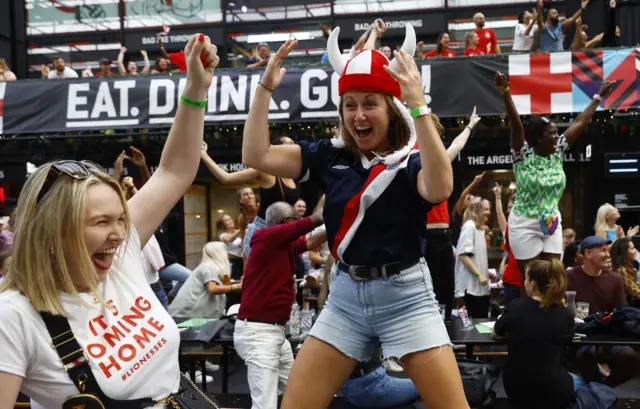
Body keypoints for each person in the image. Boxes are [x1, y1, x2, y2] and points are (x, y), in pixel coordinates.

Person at [242, 20, 469, 409]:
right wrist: (264, 89)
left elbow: (441, 187)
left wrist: (418, 104)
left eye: (370, 103)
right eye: (350, 104)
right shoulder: (331, 155)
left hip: (406, 298)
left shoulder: (410, 160)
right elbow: (256, 156)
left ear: (391, 108)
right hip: (344, 298)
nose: (358, 115)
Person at [0, 33, 219, 408]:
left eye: (121, 219)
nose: (119, 234)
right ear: (52, 232)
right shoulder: (14, 316)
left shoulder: (119, 258)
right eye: (101, 222)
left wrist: (196, 88)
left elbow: (175, 171)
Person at [495, 71, 615, 279]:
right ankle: (530, 311)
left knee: (554, 275)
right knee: (533, 278)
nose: (556, 136)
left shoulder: (557, 151)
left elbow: (579, 122)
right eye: (551, 133)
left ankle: (552, 310)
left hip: (550, 219)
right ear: (539, 139)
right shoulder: (522, 155)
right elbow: (516, 125)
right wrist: (505, 92)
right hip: (524, 221)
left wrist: (598, 97)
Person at [234, 202, 326, 409]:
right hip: (258, 334)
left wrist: (337, 225)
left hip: (273, 332)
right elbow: (313, 222)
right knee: (264, 404)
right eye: (295, 218)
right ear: (286, 222)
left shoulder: (283, 243)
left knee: (297, 390)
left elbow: (311, 241)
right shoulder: (268, 236)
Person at [493, 259, 617, 409]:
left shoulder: (515, 306)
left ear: (532, 284)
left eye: (526, 278)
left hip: (515, 389)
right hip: (553, 390)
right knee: (580, 381)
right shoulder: (565, 316)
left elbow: (496, 332)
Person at [425, 108, 480, 319]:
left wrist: (470, 126)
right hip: (424, 236)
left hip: (444, 237)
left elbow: (456, 145)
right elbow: (455, 146)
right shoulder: (414, 155)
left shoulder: (438, 158)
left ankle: (446, 329)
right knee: (430, 289)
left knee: (446, 288)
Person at [568, 236, 640, 387]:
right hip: (582, 333)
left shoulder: (614, 279)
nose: (608, 255)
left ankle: (601, 390)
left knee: (631, 358)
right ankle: (598, 393)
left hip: (609, 333)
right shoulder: (569, 276)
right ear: (587, 253)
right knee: (586, 356)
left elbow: (623, 312)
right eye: (603, 251)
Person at [169, 241, 240, 318]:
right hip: (187, 315)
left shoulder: (222, 269)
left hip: (198, 315)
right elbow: (212, 289)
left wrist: (239, 283)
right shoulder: (209, 267)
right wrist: (236, 286)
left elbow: (226, 285)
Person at [454, 197, 495, 318]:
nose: (489, 212)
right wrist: (479, 274)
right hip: (470, 287)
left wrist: (485, 272)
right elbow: (463, 255)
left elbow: (474, 258)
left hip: (480, 288)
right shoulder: (469, 226)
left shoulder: (480, 229)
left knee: (481, 321)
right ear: (476, 211)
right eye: (485, 209)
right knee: (473, 325)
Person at [610, 238, 640, 306]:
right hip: (629, 308)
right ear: (624, 252)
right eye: (632, 248)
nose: (635, 251)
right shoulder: (621, 270)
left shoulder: (630, 266)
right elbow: (635, 291)